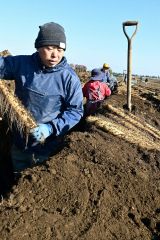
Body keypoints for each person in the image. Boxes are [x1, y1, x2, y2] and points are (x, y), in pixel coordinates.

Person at [0, 22, 84, 173]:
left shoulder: (69, 78)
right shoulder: (22, 64)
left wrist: (50, 128)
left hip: (47, 146)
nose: (55, 55)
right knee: (16, 174)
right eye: (49, 48)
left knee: (35, 180)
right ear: (38, 47)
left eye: (60, 50)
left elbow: (75, 111)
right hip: (19, 140)